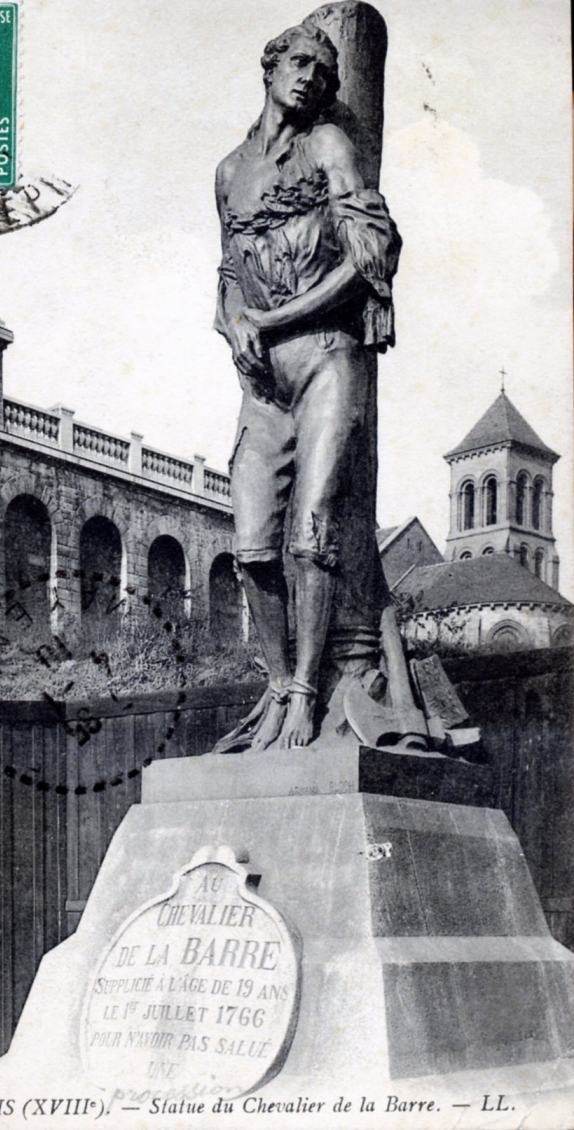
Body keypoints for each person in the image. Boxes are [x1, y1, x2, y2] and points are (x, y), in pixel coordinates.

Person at [214, 21, 401, 750]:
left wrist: (276, 315)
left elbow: (371, 258)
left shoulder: (330, 146)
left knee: (311, 534)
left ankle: (305, 695)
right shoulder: (229, 171)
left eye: (325, 73)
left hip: (327, 359)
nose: (311, 79)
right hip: (262, 382)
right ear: (269, 68)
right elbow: (228, 271)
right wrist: (237, 324)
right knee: (252, 547)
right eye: (299, 63)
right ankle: (277, 680)